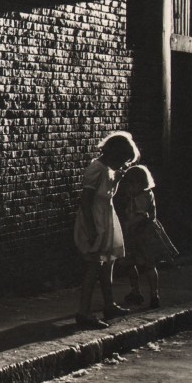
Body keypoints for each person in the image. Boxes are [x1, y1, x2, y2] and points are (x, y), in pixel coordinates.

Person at [73, 131, 139, 329]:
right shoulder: (96, 168)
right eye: (123, 160)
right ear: (115, 154)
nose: (123, 165)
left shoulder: (109, 169)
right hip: (95, 218)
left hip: (106, 216)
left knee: (108, 263)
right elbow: (86, 201)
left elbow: (107, 193)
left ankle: (109, 305)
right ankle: (83, 312)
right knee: (93, 267)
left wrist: (117, 179)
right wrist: (92, 229)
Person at [120, 163, 178, 309]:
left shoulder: (140, 198)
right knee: (145, 264)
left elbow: (141, 216)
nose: (127, 189)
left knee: (138, 263)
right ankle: (150, 293)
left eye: (129, 185)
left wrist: (127, 225)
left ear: (138, 184)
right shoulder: (145, 194)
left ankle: (141, 292)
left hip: (140, 234)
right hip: (144, 234)